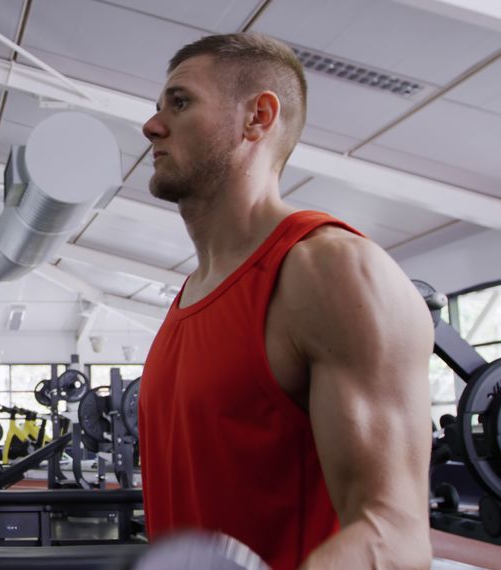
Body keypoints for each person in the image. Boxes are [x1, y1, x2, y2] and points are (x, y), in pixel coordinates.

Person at [136, 32, 433, 569]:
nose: (152, 125)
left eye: (179, 103)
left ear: (258, 117)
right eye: (158, 108)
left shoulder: (331, 271)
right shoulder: (189, 294)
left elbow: (394, 535)